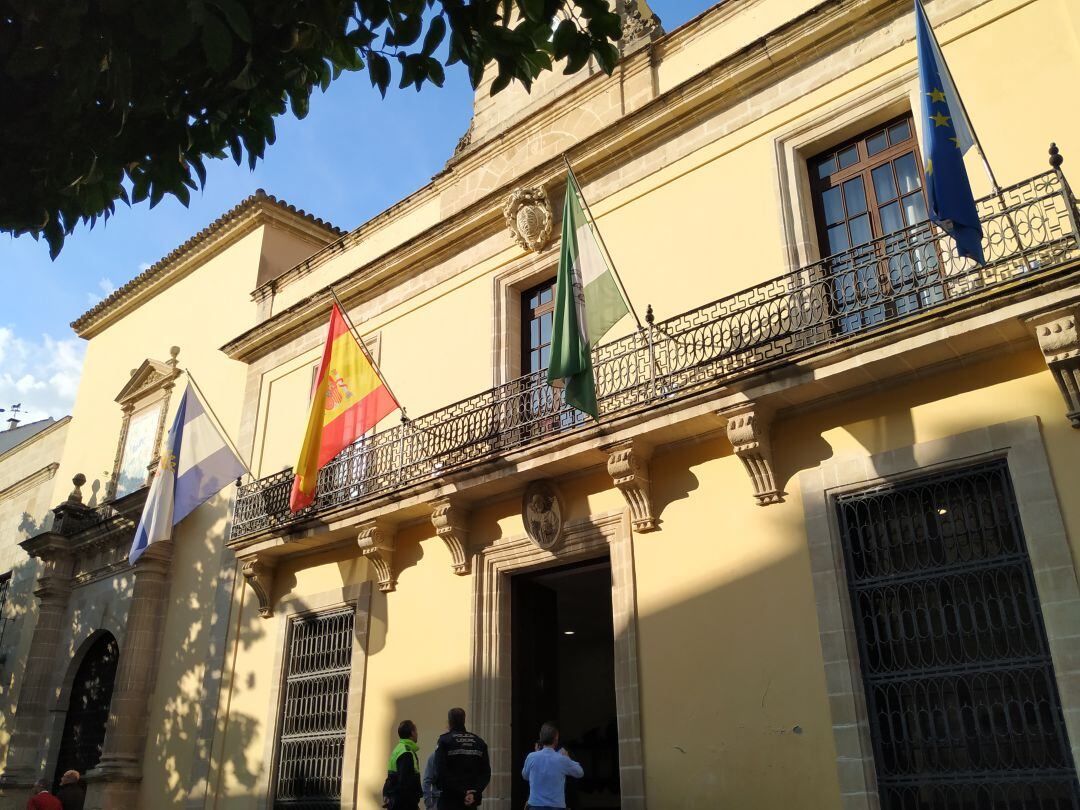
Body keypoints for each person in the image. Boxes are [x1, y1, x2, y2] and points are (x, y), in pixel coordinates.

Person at [432, 708, 490, 809]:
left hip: (450, 800)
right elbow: (486, 773)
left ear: (450, 721)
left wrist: (461, 791)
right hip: (471, 802)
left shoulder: (444, 741)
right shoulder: (479, 742)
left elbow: (441, 771)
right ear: (464, 720)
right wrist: (473, 793)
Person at [521, 722, 584, 810]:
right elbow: (580, 772)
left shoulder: (531, 757)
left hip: (535, 806)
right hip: (556, 806)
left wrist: (536, 754)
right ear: (556, 738)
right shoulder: (562, 759)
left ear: (540, 736)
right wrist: (567, 757)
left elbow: (525, 776)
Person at [383, 720, 423, 809]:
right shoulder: (406, 752)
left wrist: (386, 792)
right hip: (403, 803)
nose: (417, 734)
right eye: (416, 731)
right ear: (412, 733)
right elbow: (405, 782)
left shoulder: (398, 749)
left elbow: (391, 776)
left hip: (396, 801)